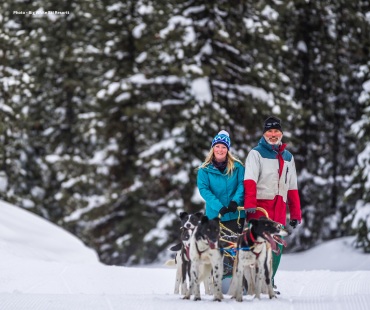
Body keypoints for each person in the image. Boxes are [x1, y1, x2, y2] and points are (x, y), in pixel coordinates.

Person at [243, 116, 302, 290]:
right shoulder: (256, 153)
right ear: (264, 134)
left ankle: (269, 280)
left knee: (276, 247)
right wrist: (250, 204)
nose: (273, 134)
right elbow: (250, 180)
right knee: (258, 244)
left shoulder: (288, 157)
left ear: (281, 133)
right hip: (260, 208)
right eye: (270, 131)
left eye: (276, 131)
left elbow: (292, 187)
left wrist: (295, 213)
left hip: (279, 209)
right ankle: (254, 282)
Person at [197, 130, 245, 287]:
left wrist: (234, 202)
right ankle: (216, 282)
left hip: (234, 215)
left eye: (223, 147)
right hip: (215, 216)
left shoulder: (237, 167)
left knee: (233, 248)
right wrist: (220, 207)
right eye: (217, 146)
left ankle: (234, 281)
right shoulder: (204, 170)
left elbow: (242, 185)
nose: (220, 150)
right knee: (216, 248)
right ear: (213, 148)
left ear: (228, 149)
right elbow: (204, 191)